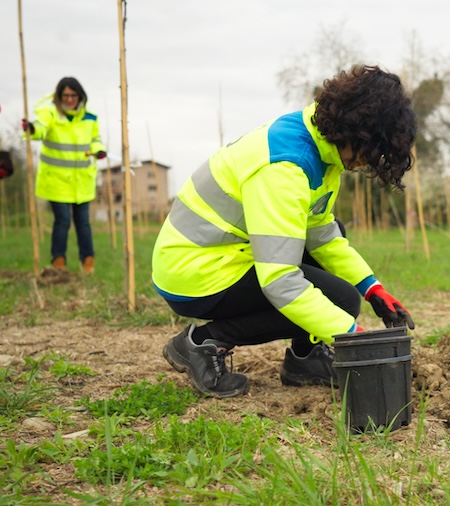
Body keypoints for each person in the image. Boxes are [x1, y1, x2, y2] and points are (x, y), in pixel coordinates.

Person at [152, 65, 417, 398]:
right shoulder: (286, 166)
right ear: (356, 130)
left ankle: (305, 359)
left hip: (224, 252)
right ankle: (202, 343)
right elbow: (280, 280)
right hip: (194, 271)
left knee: (341, 260)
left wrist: (372, 288)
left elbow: (320, 231)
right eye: (370, 149)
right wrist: (352, 336)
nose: (367, 161)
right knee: (340, 301)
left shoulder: (320, 145)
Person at [22, 77, 106, 273]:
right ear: (59, 97)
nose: (69, 99)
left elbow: (95, 139)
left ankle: (88, 262)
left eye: (73, 95)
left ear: (80, 96)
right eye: (65, 95)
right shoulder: (50, 113)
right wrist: (31, 129)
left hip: (82, 181)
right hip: (56, 180)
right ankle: (58, 263)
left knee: (83, 223)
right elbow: (40, 128)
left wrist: (98, 150)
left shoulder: (90, 117)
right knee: (63, 221)